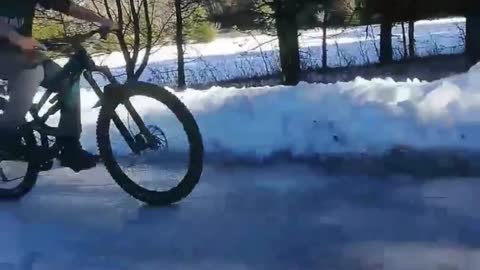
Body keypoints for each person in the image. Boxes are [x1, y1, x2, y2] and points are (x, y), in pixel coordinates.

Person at [0, 0, 117, 172]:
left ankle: (69, 145)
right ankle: (6, 134)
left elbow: (69, 7)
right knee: (32, 72)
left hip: (25, 53)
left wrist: (101, 20)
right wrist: (16, 38)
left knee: (67, 79)